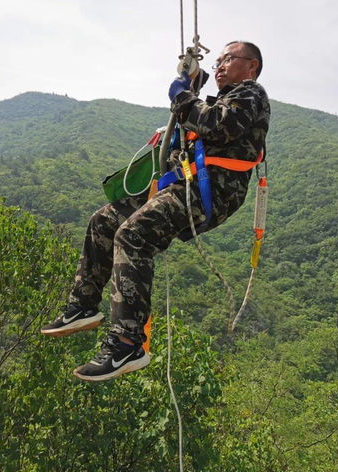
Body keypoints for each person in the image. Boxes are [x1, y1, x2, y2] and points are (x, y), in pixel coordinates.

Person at [41, 41, 271, 382]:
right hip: (188, 183)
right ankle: (83, 305)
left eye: (229, 59)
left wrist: (182, 97)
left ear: (250, 66)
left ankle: (127, 341)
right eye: (219, 60)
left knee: (134, 236)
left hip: (215, 191)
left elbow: (218, 125)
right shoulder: (224, 97)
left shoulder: (251, 94)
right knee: (104, 221)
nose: (221, 64)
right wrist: (191, 87)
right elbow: (202, 123)